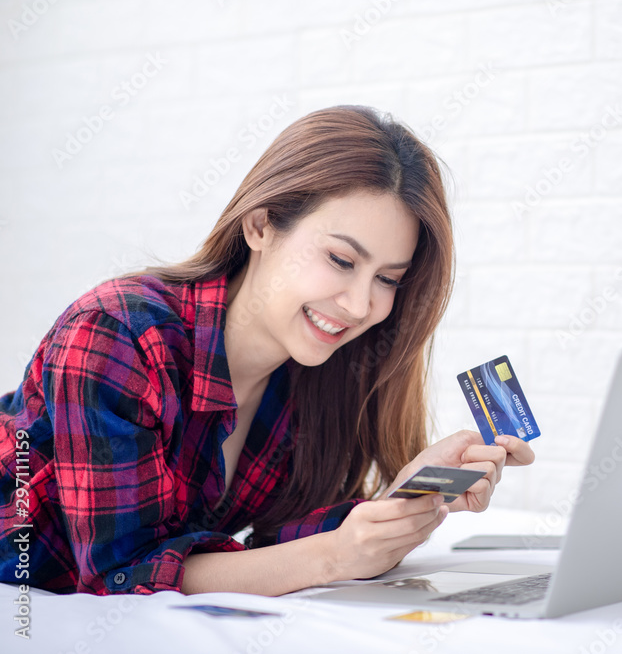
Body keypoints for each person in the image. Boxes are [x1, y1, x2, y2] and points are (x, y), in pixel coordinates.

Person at [0, 105, 534, 597]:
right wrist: (333, 558)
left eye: (388, 279)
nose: (360, 304)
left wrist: (402, 501)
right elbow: (123, 573)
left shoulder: (314, 372)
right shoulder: (119, 333)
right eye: (342, 260)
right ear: (260, 225)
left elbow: (274, 542)